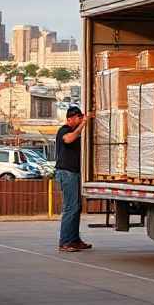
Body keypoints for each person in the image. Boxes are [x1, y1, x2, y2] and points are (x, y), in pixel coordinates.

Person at [55, 106, 93, 252]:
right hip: (67, 173)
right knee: (70, 207)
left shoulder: (77, 133)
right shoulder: (64, 130)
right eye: (78, 117)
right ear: (70, 118)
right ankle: (64, 242)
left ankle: (74, 240)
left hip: (75, 173)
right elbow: (69, 139)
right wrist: (83, 124)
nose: (80, 119)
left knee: (76, 207)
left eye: (81, 117)